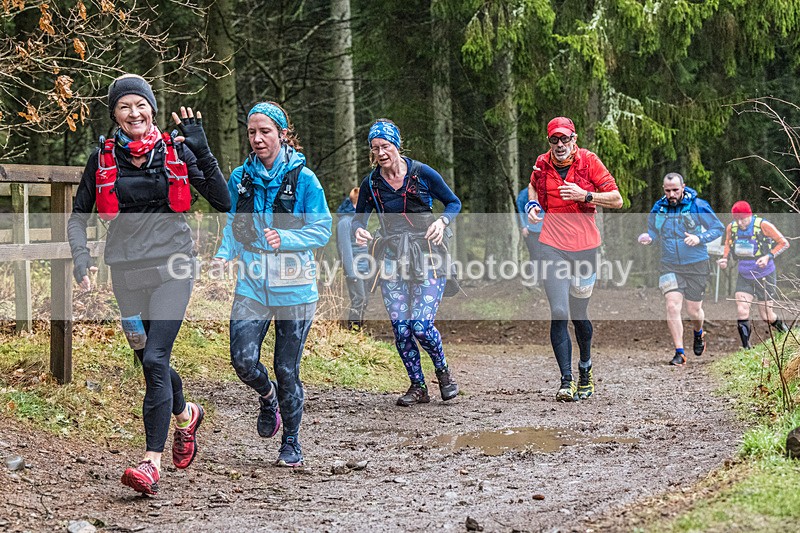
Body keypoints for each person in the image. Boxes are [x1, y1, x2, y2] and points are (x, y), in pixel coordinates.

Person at [68, 74, 231, 495]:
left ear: (152, 109)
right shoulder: (101, 158)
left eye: (140, 105)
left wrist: (204, 152)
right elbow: (77, 215)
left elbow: (223, 201)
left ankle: (150, 464)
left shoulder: (175, 151)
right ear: (115, 115)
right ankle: (185, 414)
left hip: (174, 267)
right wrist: (81, 259)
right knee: (146, 361)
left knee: (156, 358)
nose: (133, 113)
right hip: (126, 272)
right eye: (124, 106)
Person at [213, 102, 331, 468]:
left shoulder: (305, 179)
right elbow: (234, 222)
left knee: (286, 369)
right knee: (243, 360)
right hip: (252, 284)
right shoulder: (240, 178)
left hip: (295, 289)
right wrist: (222, 254)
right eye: (252, 132)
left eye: (265, 131)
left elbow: (323, 228)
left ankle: (291, 441)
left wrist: (285, 237)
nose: (258, 138)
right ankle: (268, 399)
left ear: (282, 133)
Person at [353, 119, 461, 406]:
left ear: (397, 145)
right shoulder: (371, 183)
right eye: (375, 148)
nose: (380, 153)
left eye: (385, 146)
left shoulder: (422, 173)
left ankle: (443, 373)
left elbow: (453, 202)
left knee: (421, 326)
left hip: (428, 255)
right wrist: (359, 231)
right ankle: (418, 386)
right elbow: (358, 219)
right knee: (401, 327)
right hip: (391, 258)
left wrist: (442, 221)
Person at [526, 116, 623, 402]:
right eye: (554, 139)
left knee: (579, 315)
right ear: (549, 141)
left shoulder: (589, 161)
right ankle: (565, 381)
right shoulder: (542, 163)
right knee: (559, 311)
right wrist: (532, 204)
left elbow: (617, 199)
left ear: (574, 139)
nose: (559, 144)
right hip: (551, 245)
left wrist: (586, 195)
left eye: (564, 139)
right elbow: (533, 186)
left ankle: (585, 369)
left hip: (584, 248)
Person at [638, 172, 724, 366]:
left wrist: (699, 238)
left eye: (675, 190)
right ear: (663, 190)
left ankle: (698, 332)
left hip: (696, 263)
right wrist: (649, 237)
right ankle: (679, 352)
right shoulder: (658, 208)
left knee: (694, 310)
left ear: (683, 187)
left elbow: (718, 228)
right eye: (668, 191)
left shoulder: (698, 205)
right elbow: (653, 230)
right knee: (672, 305)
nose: (672, 194)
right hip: (669, 264)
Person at [718, 201, 789, 348]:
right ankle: (746, 348)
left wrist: (768, 256)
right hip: (744, 274)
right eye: (737, 219)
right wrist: (725, 259)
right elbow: (727, 243)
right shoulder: (732, 227)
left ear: (749, 215)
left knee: (767, 316)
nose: (740, 222)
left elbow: (784, 243)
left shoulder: (763, 225)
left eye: (743, 219)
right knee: (742, 309)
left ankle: (786, 333)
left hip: (765, 274)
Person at [336, 187, 370, 329]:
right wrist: (351, 273)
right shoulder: (345, 222)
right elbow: (344, 249)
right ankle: (353, 330)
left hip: (364, 267)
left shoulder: (358, 223)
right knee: (358, 299)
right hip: (355, 270)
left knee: (364, 300)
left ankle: (359, 329)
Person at [515, 185, 543, 280]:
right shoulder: (524, 194)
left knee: (545, 254)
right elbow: (519, 211)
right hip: (530, 230)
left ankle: (544, 278)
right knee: (535, 254)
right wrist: (523, 226)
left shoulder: (545, 191)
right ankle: (535, 278)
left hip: (544, 230)